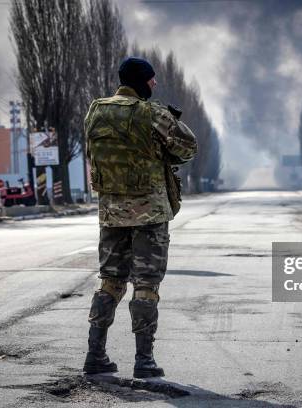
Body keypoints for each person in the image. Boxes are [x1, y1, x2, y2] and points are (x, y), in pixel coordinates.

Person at [82, 57, 197, 378]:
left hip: (111, 214)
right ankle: (144, 361)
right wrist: (174, 119)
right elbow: (188, 150)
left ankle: (95, 354)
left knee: (110, 280)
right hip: (149, 214)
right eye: (151, 79)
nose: (155, 84)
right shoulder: (153, 114)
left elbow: (94, 153)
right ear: (140, 82)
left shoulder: (96, 110)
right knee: (146, 284)